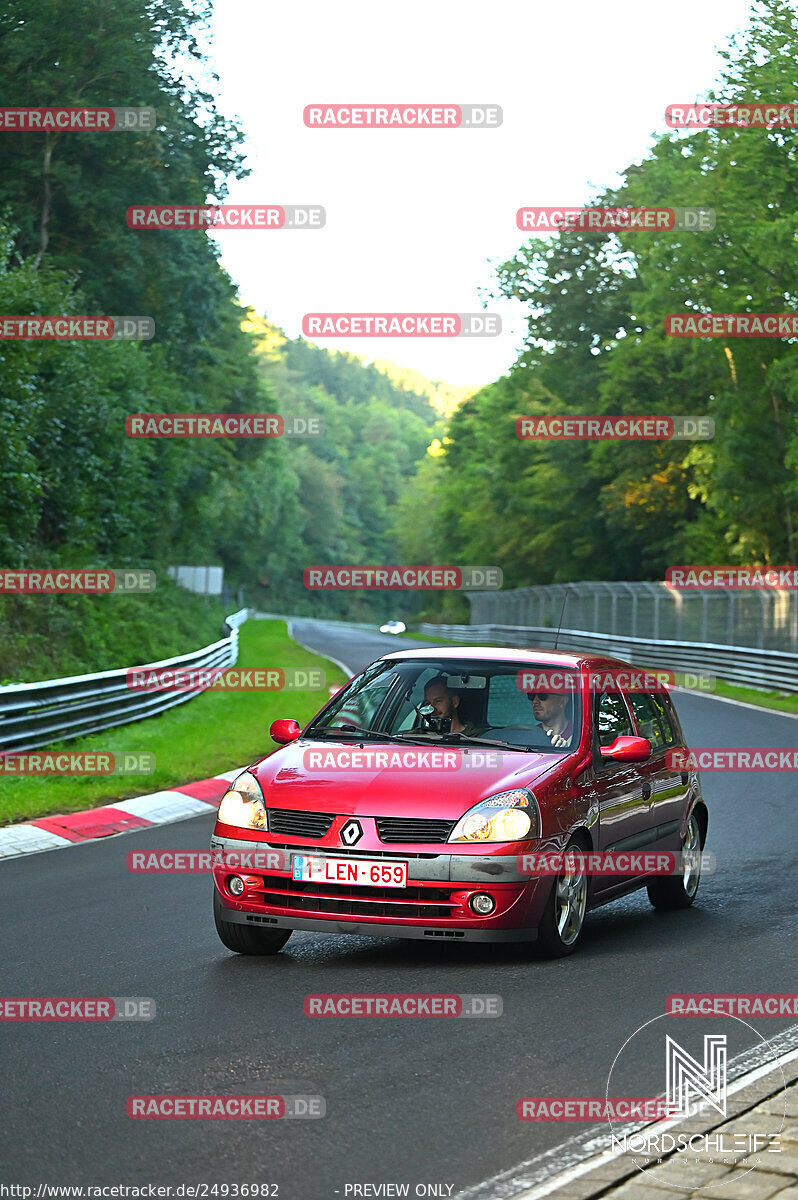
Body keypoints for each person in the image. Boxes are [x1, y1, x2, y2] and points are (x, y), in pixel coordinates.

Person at [421, 676, 486, 736]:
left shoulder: (477, 738)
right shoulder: (418, 737)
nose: (431, 708)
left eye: (438, 701)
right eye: (427, 703)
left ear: (455, 702)